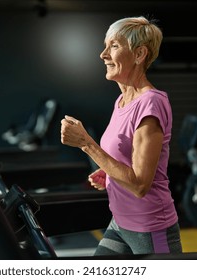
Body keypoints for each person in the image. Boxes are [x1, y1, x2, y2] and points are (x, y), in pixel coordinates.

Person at [60, 16, 182, 255]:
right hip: (120, 222)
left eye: (114, 46)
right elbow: (128, 158)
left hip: (150, 228)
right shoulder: (122, 101)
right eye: (105, 45)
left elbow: (139, 184)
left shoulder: (150, 104)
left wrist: (86, 144)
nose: (103, 54)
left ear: (139, 54)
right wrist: (109, 174)